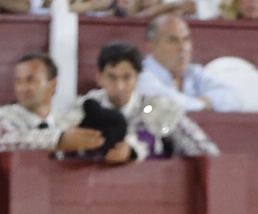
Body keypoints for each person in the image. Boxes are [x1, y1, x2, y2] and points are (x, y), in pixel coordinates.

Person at [75, 41, 220, 161]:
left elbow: (205, 151)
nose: (120, 87)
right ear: (99, 77)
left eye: (127, 77)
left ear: (137, 78)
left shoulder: (158, 108)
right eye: (112, 77)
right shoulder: (81, 109)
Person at [0, 52, 108, 154]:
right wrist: (58, 139)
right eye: (18, 81)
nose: (23, 88)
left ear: (53, 84)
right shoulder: (4, 116)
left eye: (31, 80)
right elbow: (5, 140)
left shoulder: (68, 121)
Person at [138, 14, 246, 113]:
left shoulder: (194, 72)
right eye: (173, 40)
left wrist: (204, 102)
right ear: (151, 47)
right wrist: (206, 104)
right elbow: (170, 105)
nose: (182, 47)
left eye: (186, 39)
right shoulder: (140, 75)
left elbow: (237, 98)